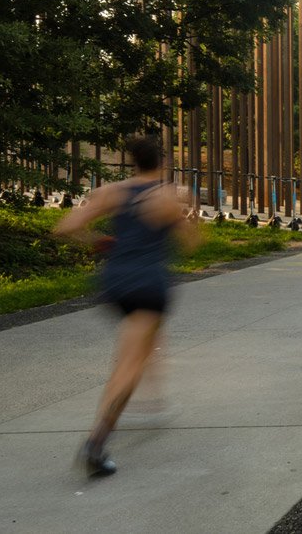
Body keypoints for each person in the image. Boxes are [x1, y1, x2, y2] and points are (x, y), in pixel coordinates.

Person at [53, 134, 198, 478]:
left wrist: (99, 241)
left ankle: (148, 401)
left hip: (114, 282)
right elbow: (192, 243)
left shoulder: (111, 192)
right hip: (149, 284)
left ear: (133, 161)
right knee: (129, 364)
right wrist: (186, 217)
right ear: (161, 162)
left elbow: (65, 227)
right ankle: (97, 441)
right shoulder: (168, 195)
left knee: (142, 348)